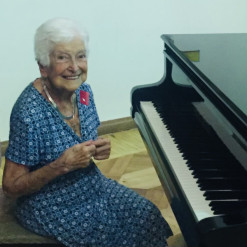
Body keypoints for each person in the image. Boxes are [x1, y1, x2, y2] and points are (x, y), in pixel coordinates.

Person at [2, 18, 172, 247]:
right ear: (43, 66)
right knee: (105, 234)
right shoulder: (28, 113)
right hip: (49, 201)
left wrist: (100, 145)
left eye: (80, 56)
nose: (75, 66)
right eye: (63, 57)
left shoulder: (83, 93)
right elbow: (11, 187)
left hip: (91, 184)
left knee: (146, 214)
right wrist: (60, 165)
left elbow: (84, 138)